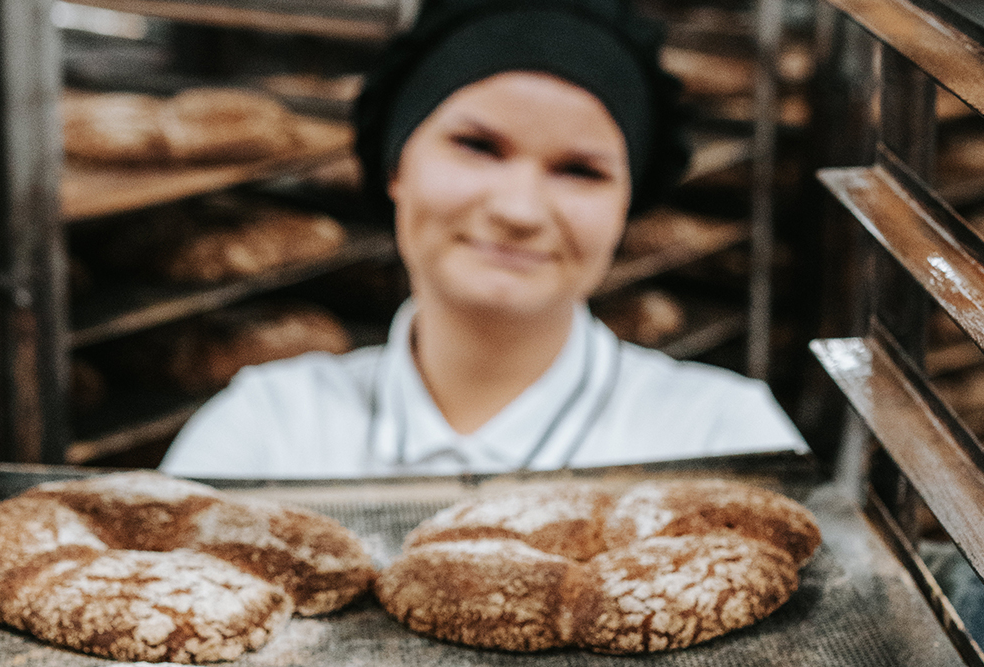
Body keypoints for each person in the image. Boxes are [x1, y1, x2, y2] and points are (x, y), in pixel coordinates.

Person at [160, 0, 806, 479]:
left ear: (624, 209)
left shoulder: (720, 436)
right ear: (394, 166)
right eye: (476, 146)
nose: (519, 209)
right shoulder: (267, 429)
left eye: (580, 170)